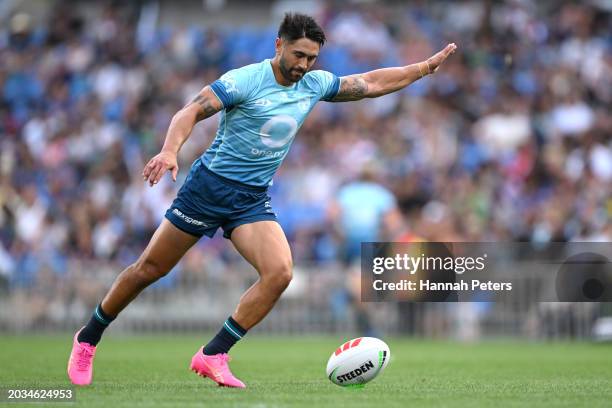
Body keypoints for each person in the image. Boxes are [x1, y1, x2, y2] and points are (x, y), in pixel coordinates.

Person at [67, 12, 457, 388]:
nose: (304, 65)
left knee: (280, 272)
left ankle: (213, 354)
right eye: (298, 55)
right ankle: (88, 338)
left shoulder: (314, 84)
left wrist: (422, 68)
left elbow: (369, 82)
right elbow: (191, 112)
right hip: (208, 188)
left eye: (312, 58)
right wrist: (170, 151)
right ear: (279, 45)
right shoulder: (245, 81)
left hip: (250, 198)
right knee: (149, 270)